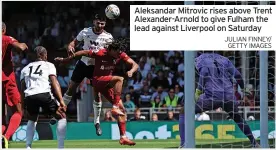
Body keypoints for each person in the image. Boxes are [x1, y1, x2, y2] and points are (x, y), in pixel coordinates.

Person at [55, 38, 138, 145]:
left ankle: (123, 137)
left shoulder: (120, 54)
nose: (119, 54)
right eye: (117, 52)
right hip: (97, 80)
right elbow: (83, 53)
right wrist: (66, 59)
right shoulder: (100, 53)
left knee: (122, 110)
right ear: (111, 49)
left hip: (107, 84)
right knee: (119, 79)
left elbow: (135, 64)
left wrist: (131, 71)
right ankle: (114, 107)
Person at [178, 51, 260, 148]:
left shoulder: (201, 58)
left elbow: (204, 72)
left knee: (184, 111)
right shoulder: (225, 59)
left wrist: (198, 91)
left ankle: (183, 144)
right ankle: (255, 143)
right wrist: (243, 88)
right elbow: (237, 74)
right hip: (229, 95)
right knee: (238, 118)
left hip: (212, 96)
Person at [51, 13, 113, 136]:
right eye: (98, 22)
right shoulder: (85, 32)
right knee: (71, 88)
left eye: (103, 23)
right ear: (94, 21)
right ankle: (59, 113)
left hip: (96, 68)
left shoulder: (108, 37)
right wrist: (70, 46)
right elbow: (73, 43)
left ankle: (96, 122)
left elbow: (112, 54)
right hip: (83, 64)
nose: (100, 25)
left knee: (97, 94)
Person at [20, 46, 67, 148]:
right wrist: (61, 100)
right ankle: (61, 147)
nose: (47, 56)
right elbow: (55, 83)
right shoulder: (49, 65)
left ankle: (28, 146)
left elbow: (22, 89)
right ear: (42, 55)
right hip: (44, 94)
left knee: (32, 119)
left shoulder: (25, 69)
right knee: (62, 116)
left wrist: (23, 107)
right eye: (45, 54)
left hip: (29, 96)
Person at [2, 22, 28, 148]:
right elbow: (20, 47)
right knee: (18, 112)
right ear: (4, 29)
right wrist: (24, 45)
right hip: (6, 80)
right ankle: (5, 138)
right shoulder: (6, 38)